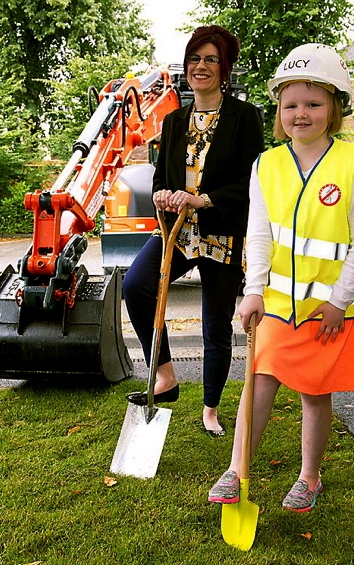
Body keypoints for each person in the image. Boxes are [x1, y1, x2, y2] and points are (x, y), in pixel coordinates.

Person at [208, 43, 354, 510]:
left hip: (327, 311)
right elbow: (258, 235)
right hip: (278, 307)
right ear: (278, 111)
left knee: (313, 393)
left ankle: (309, 477)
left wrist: (340, 301)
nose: (300, 114)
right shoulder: (267, 164)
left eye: (313, 103)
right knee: (259, 382)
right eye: (290, 105)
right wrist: (252, 292)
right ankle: (236, 469)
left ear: (334, 108)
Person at [123, 25, 264, 436]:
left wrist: (202, 199)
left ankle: (211, 409)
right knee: (136, 284)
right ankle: (164, 376)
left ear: (225, 69)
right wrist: (164, 197)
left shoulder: (245, 117)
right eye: (195, 59)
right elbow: (158, 179)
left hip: (221, 232)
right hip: (178, 232)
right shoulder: (172, 120)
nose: (201, 66)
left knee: (215, 325)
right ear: (186, 67)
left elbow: (250, 182)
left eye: (211, 60)